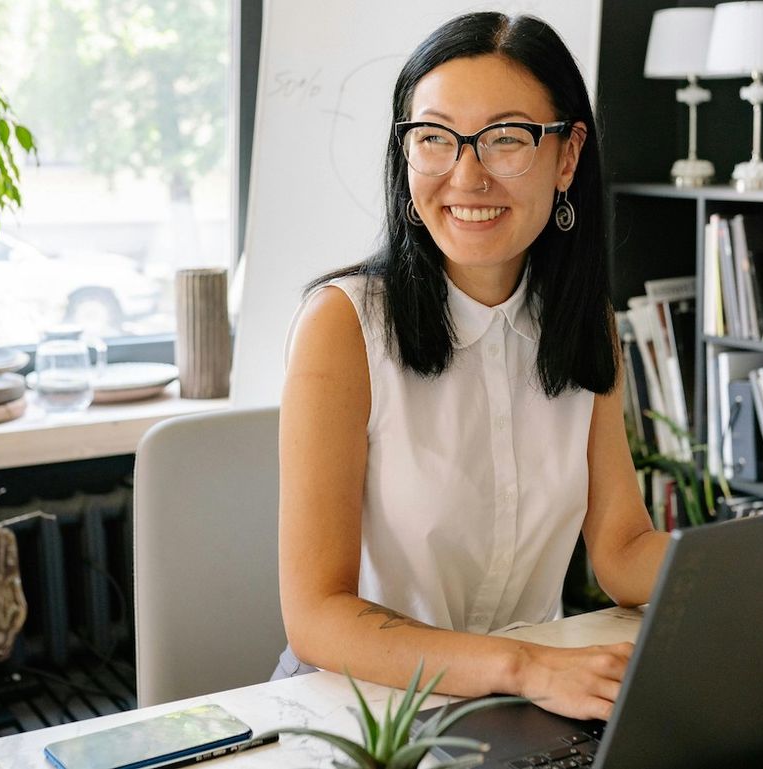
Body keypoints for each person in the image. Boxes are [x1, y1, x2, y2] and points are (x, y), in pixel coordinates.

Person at [274, 11, 670, 721]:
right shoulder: (341, 326)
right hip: (362, 709)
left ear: (568, 156)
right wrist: (520, 666)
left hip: (520, 704)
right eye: (433, 138)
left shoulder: (583, 322)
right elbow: (317, 614)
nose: (466, 174)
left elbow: (622, 547)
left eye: (507, 139)